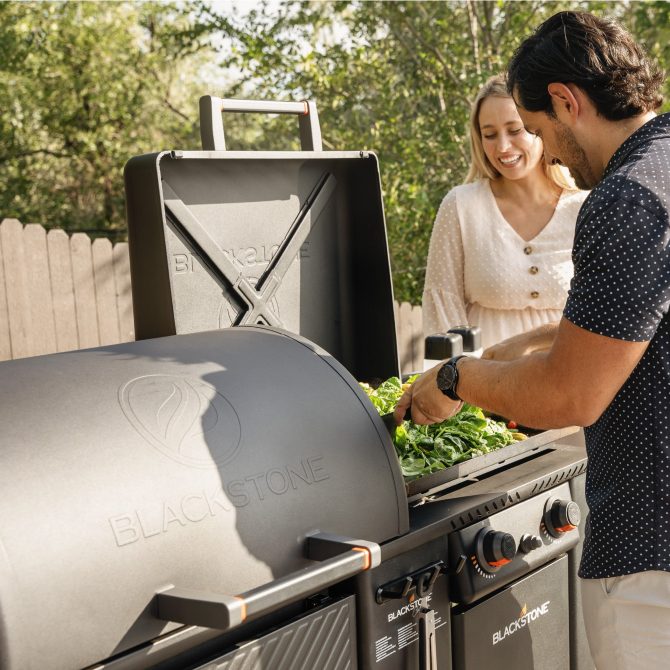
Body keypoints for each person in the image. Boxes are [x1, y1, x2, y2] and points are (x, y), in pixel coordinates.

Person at [396, 10, 670, 669]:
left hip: (650, 547)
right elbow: (638, 322)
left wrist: (456, 379)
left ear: (567, 103)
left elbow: (568, 395)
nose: (545, 149)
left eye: (541, 129)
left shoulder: (624, 199)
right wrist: (521, 346)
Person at [422, 74, 587, 351]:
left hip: (570, 383)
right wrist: (456, 383)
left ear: (539, 127)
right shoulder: (461, 206)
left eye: (515, 130)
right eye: (490, 134)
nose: (502, 147)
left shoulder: (584, 206)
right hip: (484, 386)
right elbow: (442, 310)